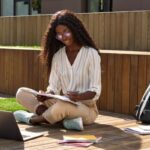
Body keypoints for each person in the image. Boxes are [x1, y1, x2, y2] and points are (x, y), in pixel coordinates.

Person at [15, 9, 101, 130]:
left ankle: (33, 119)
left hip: (86, 109)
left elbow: (95, 91)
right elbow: (53, 88)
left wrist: (78, 96)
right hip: (62, 103)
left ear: (74, 28)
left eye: (65, 31)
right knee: (21, 93)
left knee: (62, 106)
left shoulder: (91, 54)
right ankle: (61, 120)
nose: (63, 37)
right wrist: (46, 95)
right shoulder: (58, 56)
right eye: (59, 34)